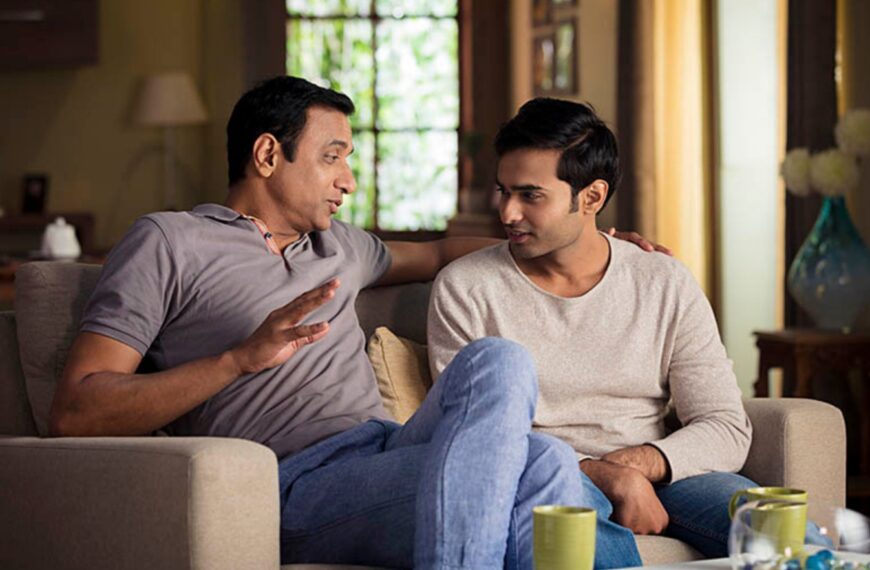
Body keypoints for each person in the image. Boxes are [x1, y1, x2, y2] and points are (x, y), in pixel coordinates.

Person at [49, 77, 658, 570]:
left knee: (502, 365)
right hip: (295, 482)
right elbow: (78, 411)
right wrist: (240, 358)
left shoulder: (338, 245)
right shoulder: (168, 242)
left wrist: (591, 240)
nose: (348, 180)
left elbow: (447, 250)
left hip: (386, 448)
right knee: (543, 466)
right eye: (332, 157)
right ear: (267, 154)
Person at [427, 97, 758, 559]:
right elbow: (475, 440)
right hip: (546, 479)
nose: (507, 213)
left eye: (530, 195)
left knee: (781, 533)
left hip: (662, 474)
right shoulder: (466, 288)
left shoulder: (663, 280)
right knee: (570, 528)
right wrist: (600, 475)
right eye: (504, 191)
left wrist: (639, 464)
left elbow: (724, 425)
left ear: (592, 197)